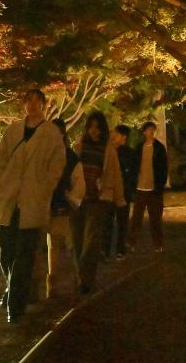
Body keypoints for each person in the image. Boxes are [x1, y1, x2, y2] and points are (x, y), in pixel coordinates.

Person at [0, 88, 65, 323]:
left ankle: (16, 304)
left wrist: (45, 188)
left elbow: (57, 164)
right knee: (5, 252)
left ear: (44, 104)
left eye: (36, 101)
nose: (32, 105)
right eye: (28, 100)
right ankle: (13, 289)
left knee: (23, 255)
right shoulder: (13, 130)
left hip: (33, 201)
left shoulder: (52, 133)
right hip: (9, 199)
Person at [71, 110, 124, 293]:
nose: (94, 131)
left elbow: (115, 174)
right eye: (91, 127)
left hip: (99, 199)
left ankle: (86, 280)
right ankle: (81, 276)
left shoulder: (108, 150)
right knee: (77, 241)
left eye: (98, 128)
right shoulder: (79, 147)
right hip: (78, 199)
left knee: (91, 242)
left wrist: (119, 199)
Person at [46, 118, 85, 299]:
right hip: (47, 208)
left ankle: (78, 278)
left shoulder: (70, 157)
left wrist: (70, 198)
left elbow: (78, 182)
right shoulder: (44, 154)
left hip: (63, 207)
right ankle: (52, 284)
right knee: (53, 247)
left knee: (70, 246)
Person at [127, 120, 168, 253]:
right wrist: (133, 182)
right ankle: (132, 242)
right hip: (140, 188)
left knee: (155, 219)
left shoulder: (159, 148)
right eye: (149, 130)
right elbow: (134, 166)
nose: (151, 132)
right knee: (136, 218)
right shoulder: (139, 148)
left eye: (153, 130)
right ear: (144, 132)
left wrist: (160, 186)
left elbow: (163, 168)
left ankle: (158, 244)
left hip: (154, 189)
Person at [102, 124, 137, 260]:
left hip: (124, 192)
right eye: (119, 135)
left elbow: (133, 173)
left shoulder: (128, 153)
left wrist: (130, 190)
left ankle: (120, 249)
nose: (122, 139)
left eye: (123, 136)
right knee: (107, 222)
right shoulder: (107, 150)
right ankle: (105, 250)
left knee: (122, 222)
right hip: (108, 191)